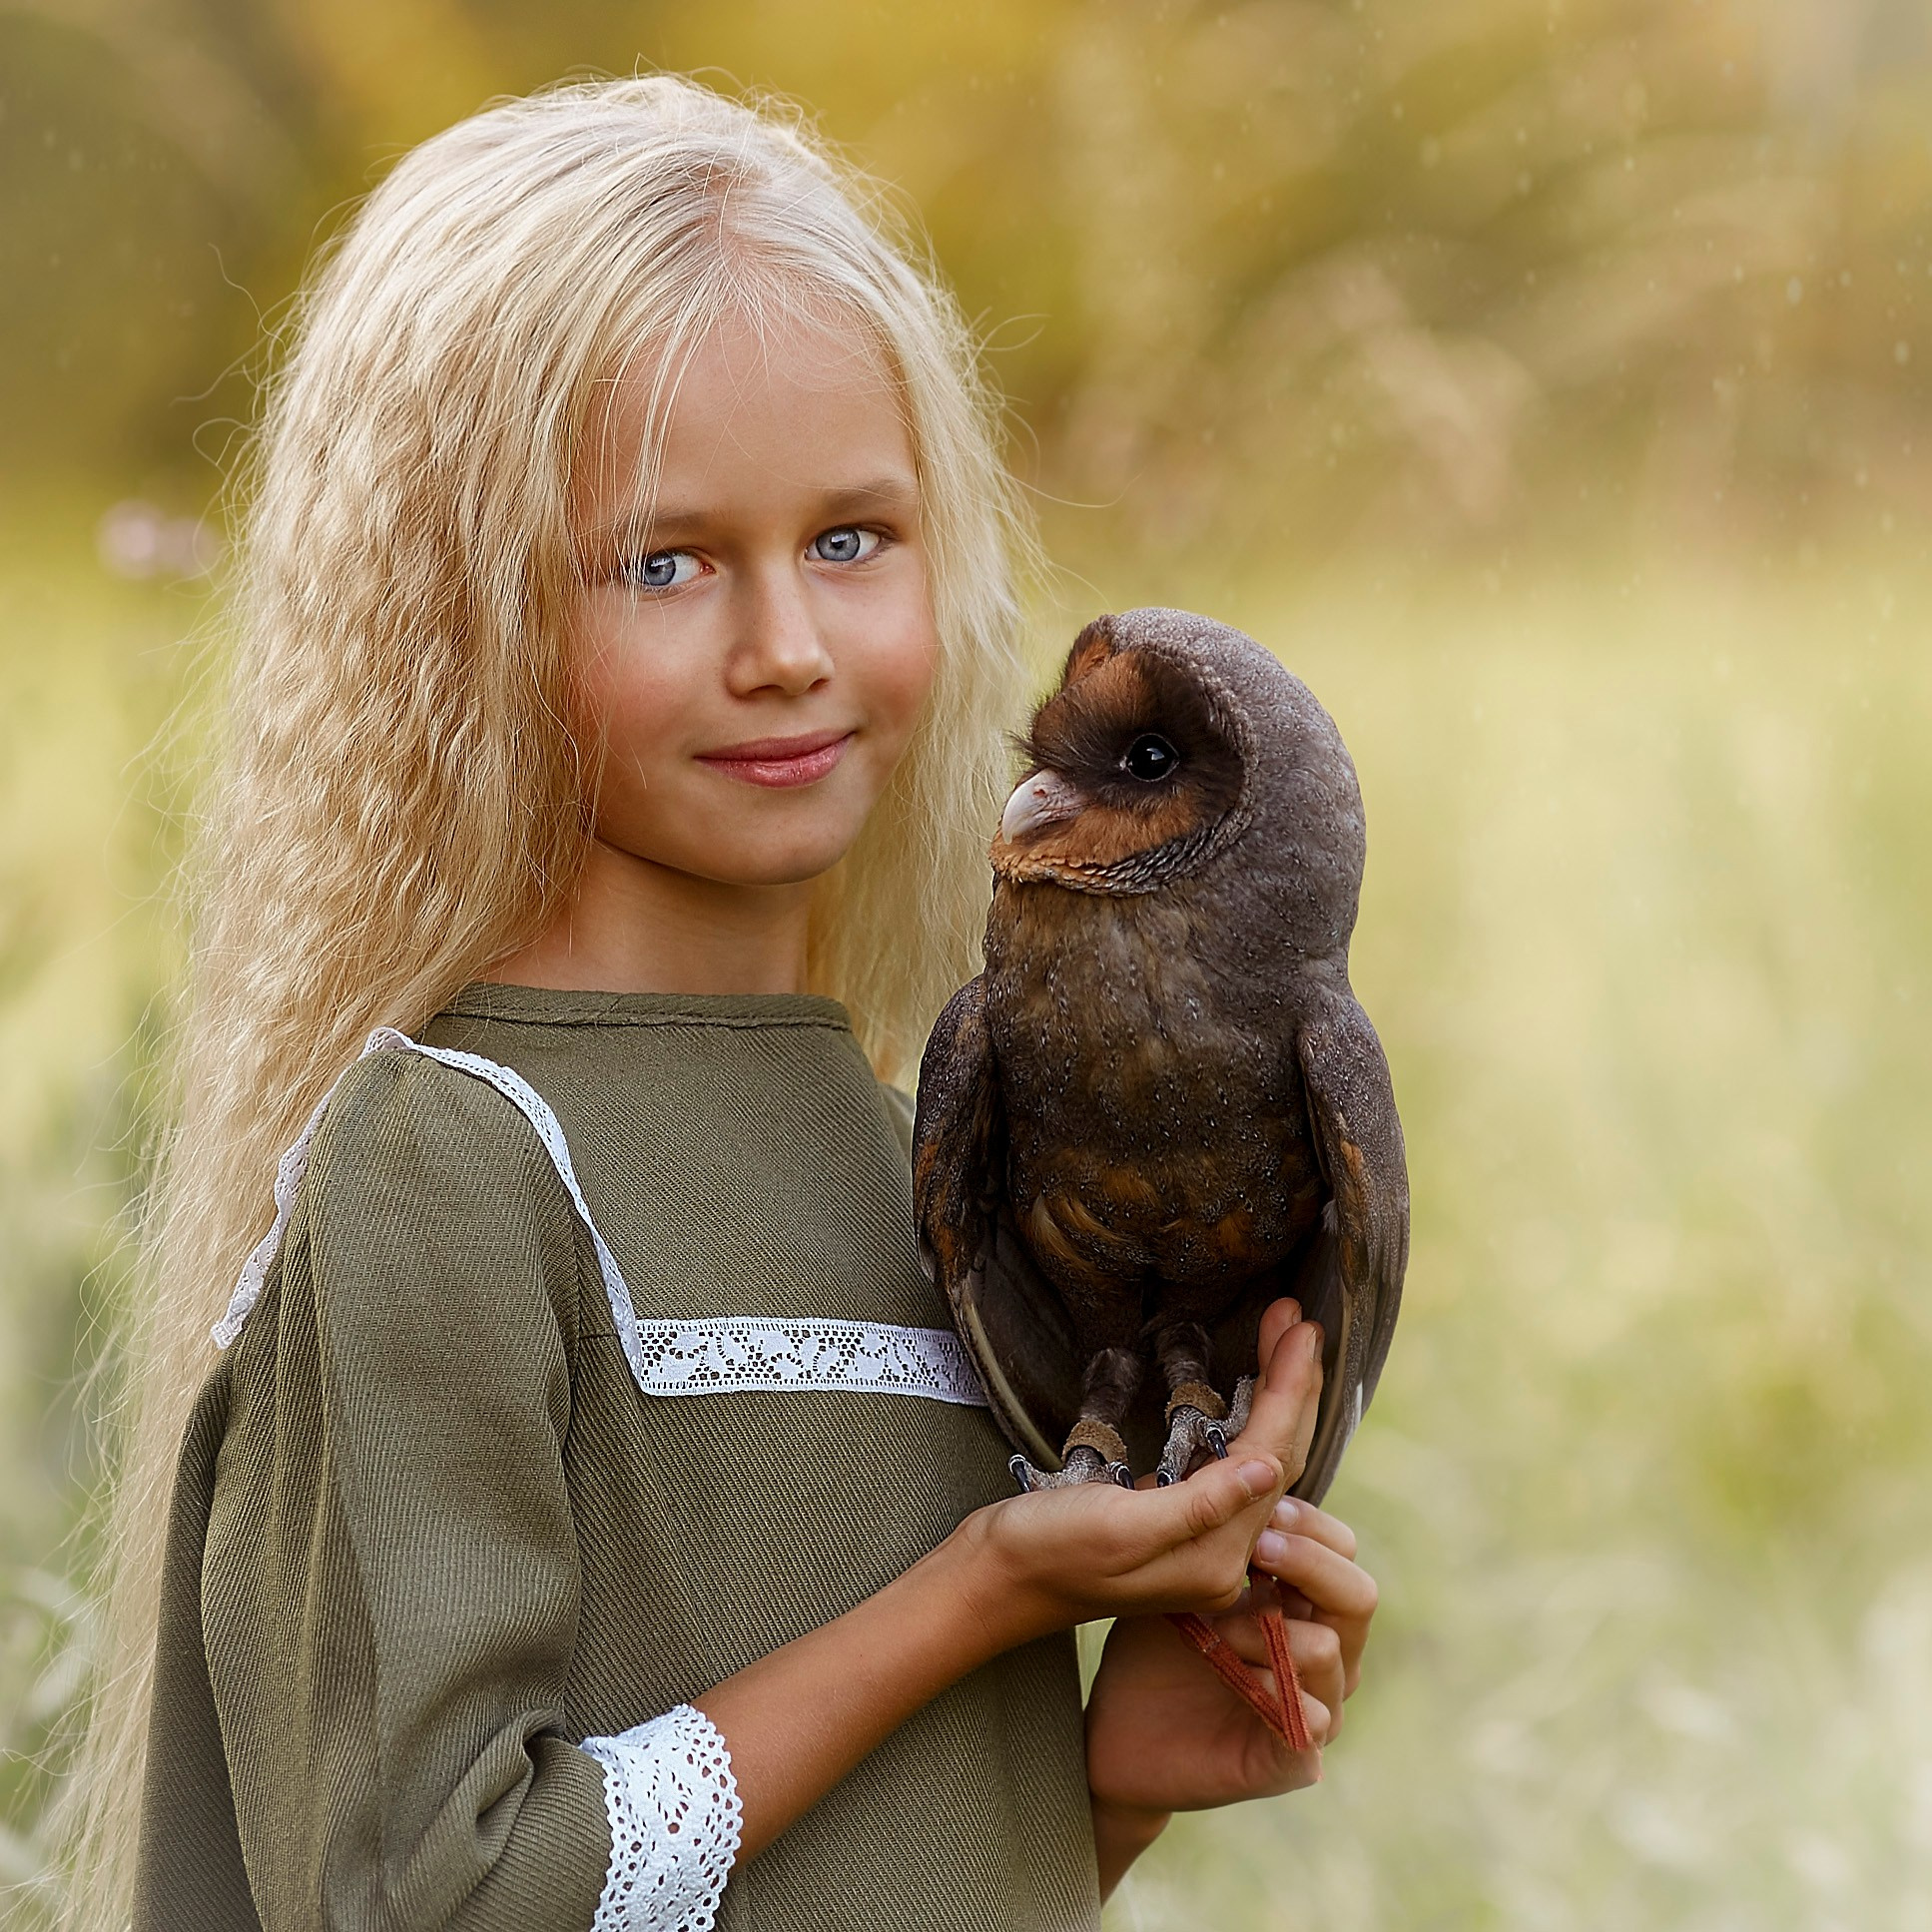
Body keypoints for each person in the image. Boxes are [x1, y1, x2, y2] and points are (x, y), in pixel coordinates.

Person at [62, 75, 1379, 1932]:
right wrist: (985, 1596)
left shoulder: (903, 1130)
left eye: (852, 539)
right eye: (664, 562)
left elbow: (793, 1874)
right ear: (462, 615)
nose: (787, 649)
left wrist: (1089, 1793)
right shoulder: (448, 1159)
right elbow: (434, 1900)